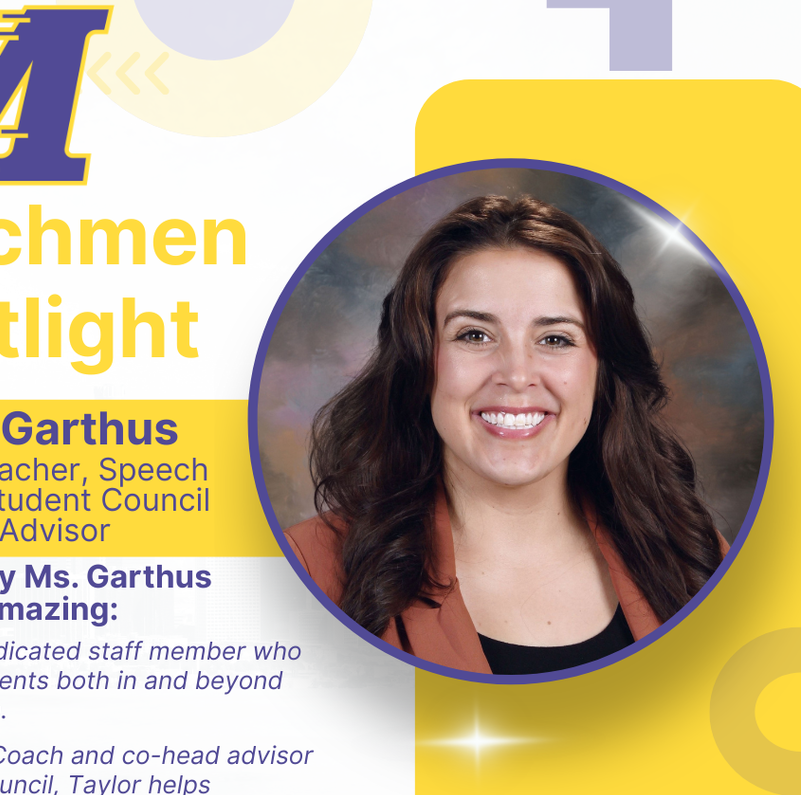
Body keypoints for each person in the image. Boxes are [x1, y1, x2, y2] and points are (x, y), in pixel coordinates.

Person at [284, 194, 726, 675]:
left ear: (602, 371)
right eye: (474, 335)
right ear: (420, 362)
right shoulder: (304, 571)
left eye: (555, 339)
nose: (516, 375)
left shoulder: (693, 555)